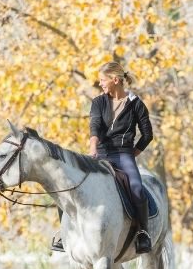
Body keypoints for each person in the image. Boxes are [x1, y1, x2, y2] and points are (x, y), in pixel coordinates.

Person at [51, 61, 153, 254]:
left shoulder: (137, 105)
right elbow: (95, 126)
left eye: (102, 80)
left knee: (137, 189)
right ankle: (64, 232)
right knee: (67, 183)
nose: (100, 84)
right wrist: (93, 148)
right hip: (100, 152)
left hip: (123, 155)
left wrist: (132, 154)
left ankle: (142, 233)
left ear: (115, 80)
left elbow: (147, 135)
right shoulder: (98, 102)